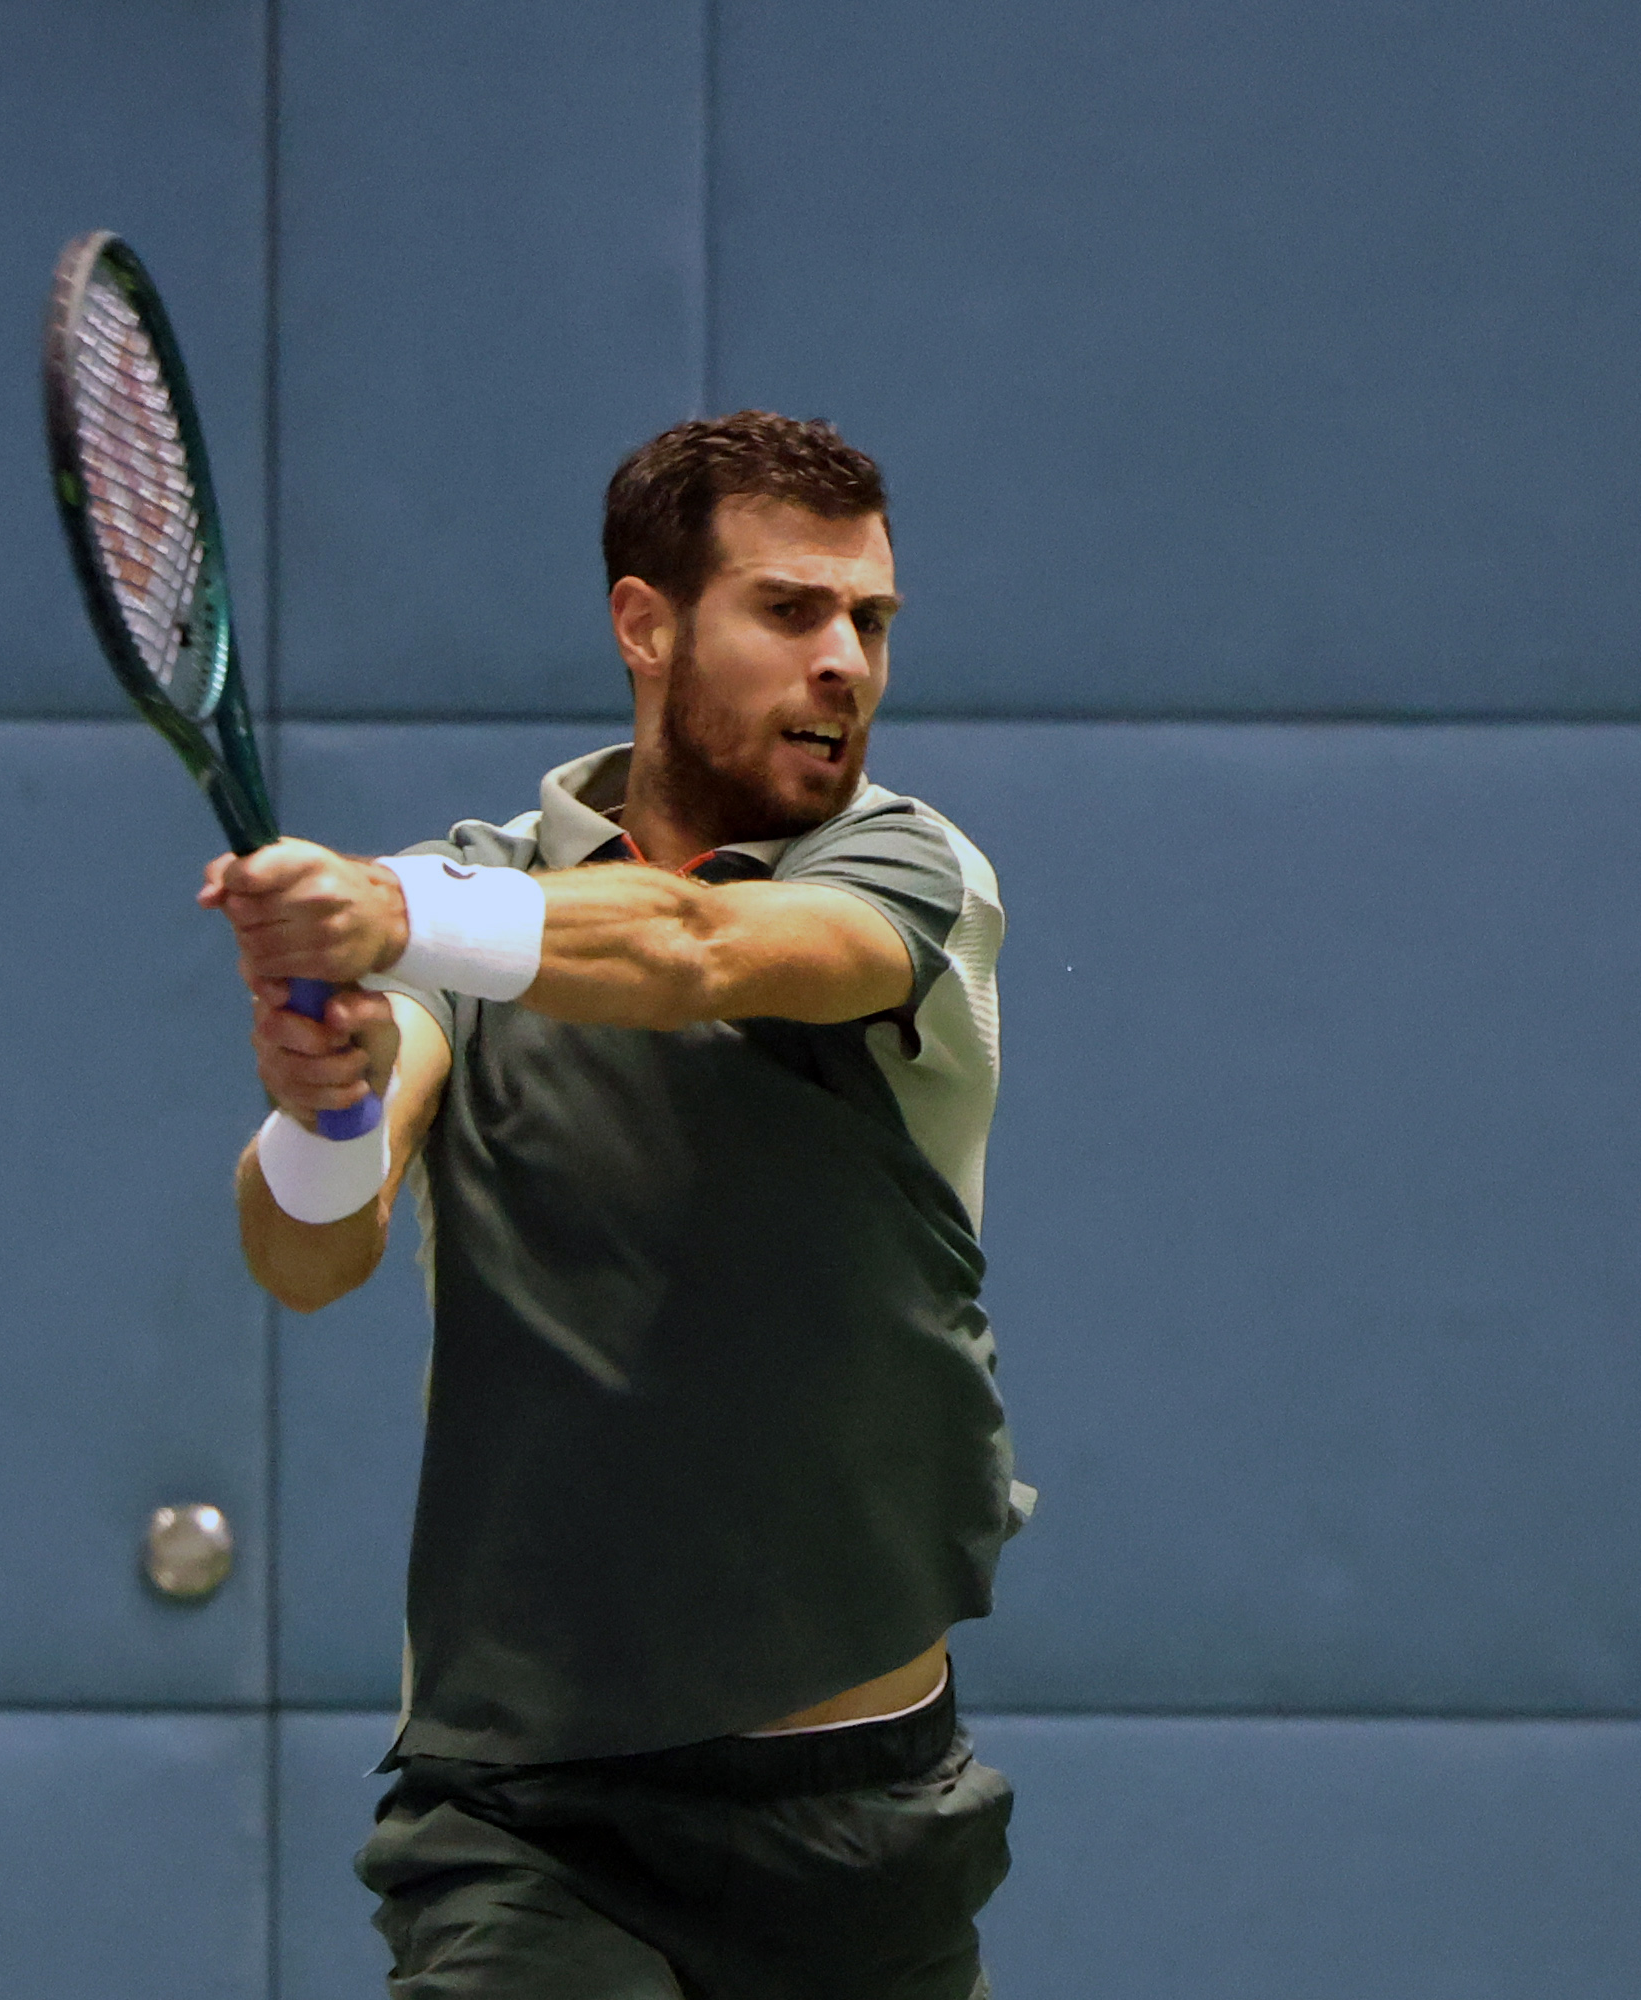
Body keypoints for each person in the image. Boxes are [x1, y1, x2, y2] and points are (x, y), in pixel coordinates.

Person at [200, 412, 1030, 1999]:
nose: (844, 661)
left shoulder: (912, 874)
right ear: (646, 626)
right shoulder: (466, 902)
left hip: (863, 1825)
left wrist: (390, 909)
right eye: (789, 610)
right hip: (533, 1819)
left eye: (870, 621)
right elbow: (306, 1259)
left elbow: (695, 952)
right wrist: (329, 1109)